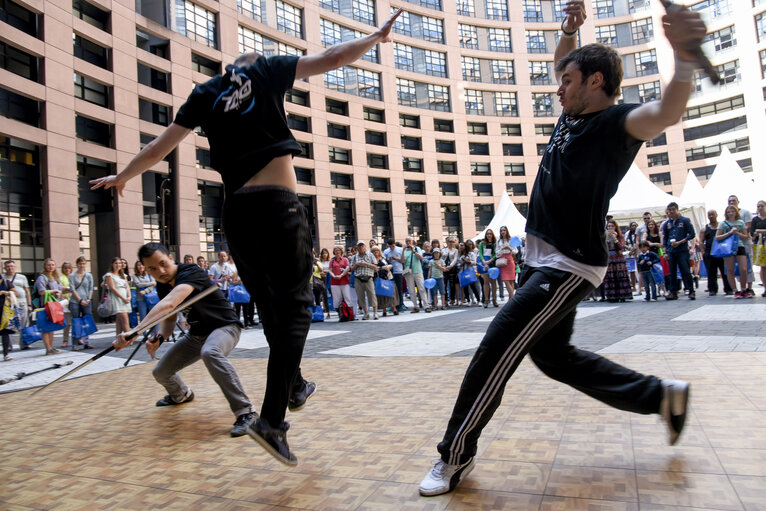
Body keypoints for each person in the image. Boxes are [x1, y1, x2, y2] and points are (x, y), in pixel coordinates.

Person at [91, 8, 400, 465]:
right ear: (256, 62)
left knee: (274, 310)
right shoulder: (268, 69)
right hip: (278, 206)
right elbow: (333, 57)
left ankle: (293, 384)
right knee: (294, 309)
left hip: (235, 214)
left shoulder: (206, 92)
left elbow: (159, 147)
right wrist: (374, 36)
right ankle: (271, 422)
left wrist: (123, 177)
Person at [419, 0, 702, 496]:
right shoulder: (572, 115)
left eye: (567, 81)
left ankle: (454, 456)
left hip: (568, 262)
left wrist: (682, 56)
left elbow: (668, 110)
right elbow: (563, 60)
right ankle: (662, 396)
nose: (558, 86)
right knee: (554, 357)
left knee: (497, 345)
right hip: (542, 260)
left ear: (595, 81)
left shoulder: (617, 125)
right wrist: (569, 29)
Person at [113, 243, 259, 438]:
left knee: (211, 352)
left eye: (163, 264)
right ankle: (181, 394)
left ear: (171, 258)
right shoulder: (163, 285)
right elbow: (170, 317)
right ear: (146, 269)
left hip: (224, 328)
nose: (161, 271)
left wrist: (135, 331)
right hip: (197, 334)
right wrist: (159, 337)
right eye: (153, 269)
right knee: (161, 372)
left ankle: (246, 412)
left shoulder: (190, 271)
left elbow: (170, 304)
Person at [661, 202, 696, 300]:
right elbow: (665, 238)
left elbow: (692, 234)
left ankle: (691, 291)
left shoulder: (685, 220)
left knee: (685, 270)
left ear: (677, 209)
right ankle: (673, 292)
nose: (671, 212)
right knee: (672, 272)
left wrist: (681, 241)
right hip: (671, 250)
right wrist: (665, 251)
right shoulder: (667, 223)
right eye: (669, 210)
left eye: (673, 209)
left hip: (682, 250)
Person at [717, 205, 750, 298]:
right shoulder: (723, 223)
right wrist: (729, 233)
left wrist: (737, 233)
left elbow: (745, 236)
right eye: (729, 212)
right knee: (730, 269)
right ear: (726, 213)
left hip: (739, 246)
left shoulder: (740, 222)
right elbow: (717, 237)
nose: (731, 213)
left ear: (736, 212)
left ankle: (744, 289)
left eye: (733, 211)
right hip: (728, 247)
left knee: (743, 269)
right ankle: (735, 290)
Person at [34, 258, 63, 354]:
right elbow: (41, 291)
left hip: (53, 305)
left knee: (51, 327)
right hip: (44, 305)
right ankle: (48, 348)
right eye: (49, 265)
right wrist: (54, 291)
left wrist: (60, 293)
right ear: (45, 266)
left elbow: (60, 289)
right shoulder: (42, 278)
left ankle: (51, 347)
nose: (51, 267)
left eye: (52, 265)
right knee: (45, 327)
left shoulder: (56, 278)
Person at [700, 209, 731, 296]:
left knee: (724, 271)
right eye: (709, 215)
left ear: (716, 215)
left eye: (712, 214)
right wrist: (703, 251)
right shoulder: (704, 228)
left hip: (722, 252)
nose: (711, 217)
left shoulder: (722, 226)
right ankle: (712, 289)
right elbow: (701, 241)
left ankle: (728, 288)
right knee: (711, 272)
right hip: (709, 253)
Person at [728, 195, 755, 296]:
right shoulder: (728, 216)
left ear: (738, 201)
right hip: (733, 245)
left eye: (733, 200)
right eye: (729, 201)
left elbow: (748, 227)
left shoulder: (745, 212)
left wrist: (737, 232)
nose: (731, 202)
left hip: (745, 243)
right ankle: (739, 289)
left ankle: (749, 287)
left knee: (747, 266)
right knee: (736, 267)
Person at [603, 220, 633, 302]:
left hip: (618, 258)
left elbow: (621, 247)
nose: (610, 228)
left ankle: (622, 295)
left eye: (612, 226)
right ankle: (612, 296)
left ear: (615, 227)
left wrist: (615, 239)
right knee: (611, 277)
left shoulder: (620, 237)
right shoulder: (604, 237)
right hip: (609, 259)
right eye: (609, 226)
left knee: (620, 276)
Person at [4, 260, 31, 350]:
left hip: (22, 302)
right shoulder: (2, 277)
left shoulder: (22, 277)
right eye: (8, 266)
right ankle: (8, 345)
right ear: (4, 268)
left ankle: (24, 344)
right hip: (8, 304)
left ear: (15, 267)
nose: (10, 268)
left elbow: (27, 291)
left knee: (24, 323)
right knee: (9, 324)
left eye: (12, 266)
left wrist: (29, 304)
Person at [69, 256, 94, 349]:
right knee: (76, 321)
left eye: (83, 263)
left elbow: (91, 288)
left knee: (86, 321)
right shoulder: (72, 276)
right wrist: (80, 300)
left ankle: (86, 342)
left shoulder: (88, 275)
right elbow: (72, 289)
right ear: (77, 264)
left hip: (86, 300)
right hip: (75, 301)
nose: (82, 265)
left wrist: (89, 299)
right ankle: (74, 343)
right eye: (80, 263)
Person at [350, 241, 378, 320]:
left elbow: (376, 267)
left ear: (365, 247)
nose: (361, 247)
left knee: (372, 295)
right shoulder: (354, 257)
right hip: (358, 278)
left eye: (362, 246)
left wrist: (367, 264)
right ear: (357, 248)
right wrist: (356, 265)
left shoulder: (371, 255)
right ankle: (366, 313)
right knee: (360, 297)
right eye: (359, 246)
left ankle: (375, 313)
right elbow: (351, 268)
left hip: (368, 278)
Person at [104, 257, 132, 336]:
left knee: (119, 321)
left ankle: (118, 338)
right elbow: (112, 288)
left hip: (125, 298)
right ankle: (129, 338)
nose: (118, 265)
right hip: (117, 299)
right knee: (124, 318)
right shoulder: (109, 275)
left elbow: (127, 287)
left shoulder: (123, 275)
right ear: (112, 264)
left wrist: (129, 297)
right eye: (116, 263)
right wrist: (123, 298)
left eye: (119, 263)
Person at [403, 236, 431, 313]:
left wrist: (414, 251)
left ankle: (426, 306)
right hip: (408, 272)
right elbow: (402, 261)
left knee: (421, 289)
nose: (408, 242)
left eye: (409, 241)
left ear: (412, 242)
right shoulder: (404, 251)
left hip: (418, 271)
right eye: (407, 241)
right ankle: (415, 306)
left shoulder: (417, 248)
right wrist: (403, 251)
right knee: (411, 290)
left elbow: (421, 257)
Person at [371, 246, 398, 316]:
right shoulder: (371, 260)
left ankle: (394, 309)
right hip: (378, 279)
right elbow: (374, 268)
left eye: (377, 250)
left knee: (391, 294)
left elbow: (390, 265)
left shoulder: (383, 258)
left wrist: (389, 266)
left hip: (388, 278)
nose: (376, 252)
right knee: (381, 295)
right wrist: (382, 267)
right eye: (374, 251)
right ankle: (384, 310)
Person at [495, 226, 517, 302]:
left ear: (507, 231)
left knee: (511, 280)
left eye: (504, 230)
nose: (503, 232)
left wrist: (509, 248)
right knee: (505, 279)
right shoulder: (498, 241)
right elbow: (496, 253)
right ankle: (513, 298)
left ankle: (510, 299)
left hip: (510, 259)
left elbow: (515, 251)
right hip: (502, 260)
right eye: (501, 231)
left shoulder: (511, 240)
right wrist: (502, 249)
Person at [384, 239, 406, 312]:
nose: (392, 248)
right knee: (390, 289)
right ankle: (392, 305)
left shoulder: (400, 250)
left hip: (398, 271)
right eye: (390, 246)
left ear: (395, 244)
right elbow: (384, 262)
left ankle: (400, 304)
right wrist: (389, 260)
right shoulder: (386, 251)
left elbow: (403, 261)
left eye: (393, 246)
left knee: (399, 289)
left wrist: (396, 258)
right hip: (390, 272)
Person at [478, 229, 498, 308]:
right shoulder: (482, 243)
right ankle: (486, 300)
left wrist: (489, 261)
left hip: (492, 263)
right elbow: (480, 253)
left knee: (493, 282)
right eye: (487, 234)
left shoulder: (495, 244)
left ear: (492, 235)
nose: (489, 235)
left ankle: (494, 299)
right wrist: (484, 262)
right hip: (484, 264)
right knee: (486, 282)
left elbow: (496, 254)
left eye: (490, 234)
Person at [329, 246, 352, 314]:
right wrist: (334, 276)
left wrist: (341, 275)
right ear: (334, 252)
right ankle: (341, 314)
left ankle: (351, 314)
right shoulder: (332, 261)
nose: (337, 251)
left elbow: (348, 268)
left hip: (344, 282)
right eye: (336, 250)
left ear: (341, 251)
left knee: (347, 298)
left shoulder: (345, 259)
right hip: (334, 282)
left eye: (338, 250)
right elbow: (330, 270)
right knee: (337, 299)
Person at [750, 200, 766, 297]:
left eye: (762, 206)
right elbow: (752, 234)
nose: (760, 208)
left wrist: (760, 230)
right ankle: (765, 287)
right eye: (758, 206)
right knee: (763, 267)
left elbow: (757, 231)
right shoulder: (755, 219)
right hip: (760, 244)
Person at [59, 261, 74, 348]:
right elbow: (61, 289)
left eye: (68, 268)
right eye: (65, 268)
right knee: (67, 323)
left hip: (74, 301)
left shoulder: (73, 277)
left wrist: (68, 289)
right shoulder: (61, 278)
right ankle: (65, 340)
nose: (67, 270)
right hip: (65, 302)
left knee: (75, 322)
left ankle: (78, 339)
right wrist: (70, 289)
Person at [0, 278, 15, 361]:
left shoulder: (5, 282)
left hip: (4, 310)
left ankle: (6, 354)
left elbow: (15, 292)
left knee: (5, 332)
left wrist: (5, 292)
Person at [441, 237, 459, 306]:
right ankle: (445, 299)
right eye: (449, 241)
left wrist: (450, 266)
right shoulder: (443, 250)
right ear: (447, 242)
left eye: (452, 242)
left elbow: (455, 259)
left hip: (452, 269)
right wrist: (444, 267)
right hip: (444, 268)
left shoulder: (456, 250)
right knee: (444, 284)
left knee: (452, 284)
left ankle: (452, 299)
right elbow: (441, 258)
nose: (451, 243)